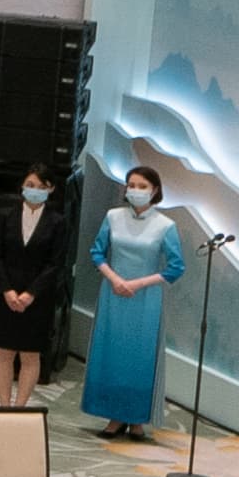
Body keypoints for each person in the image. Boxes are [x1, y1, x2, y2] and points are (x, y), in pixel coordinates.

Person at [78, 166, 183, 433]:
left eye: (142, 186)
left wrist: (137, 283)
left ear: (155, 190)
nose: (135, 190)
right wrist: (114, 279)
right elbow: (97, 253)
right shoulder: (113, 217)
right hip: (113, 293)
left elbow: (175, 268)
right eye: (131, 185)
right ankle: (114, 416)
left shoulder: (165, 225)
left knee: (139, 357)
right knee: (112, 353)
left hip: (146, 298)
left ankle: (136, 418)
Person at [0, 157, 70, 397]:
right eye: (30, 185)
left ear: (51, 189)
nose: (35, 190)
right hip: (5, 294)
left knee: (30, 355)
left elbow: (55, 263)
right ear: (22, 186)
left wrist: (30, 294)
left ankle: (20, 407)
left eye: (41, 186)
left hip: (37, 298)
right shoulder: (6, 215)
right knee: (4, 352)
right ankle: (4, 405)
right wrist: (7, 290)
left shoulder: (58, 222)